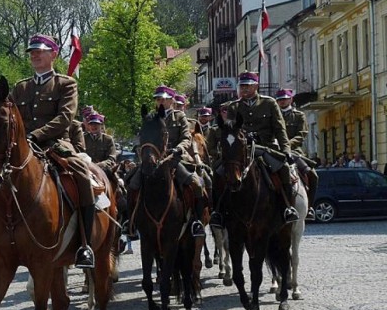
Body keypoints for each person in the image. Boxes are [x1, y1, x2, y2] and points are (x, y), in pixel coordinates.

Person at [0, 34, 97, 271]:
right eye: (32, 51)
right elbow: (7, 116)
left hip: (55, 143)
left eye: (40, 51)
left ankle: (85, 244)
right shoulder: (20, 87)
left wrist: (35, 135)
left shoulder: (65, 84)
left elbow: (65, 118)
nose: (35, 54)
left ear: (54, 54)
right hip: (20, 148)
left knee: (82, 173)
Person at [214, 71, 299, 226]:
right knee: (218, 171)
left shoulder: (269, 103)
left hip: (266, 147)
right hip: (243, 150)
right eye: (242, 86)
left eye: (248, 86)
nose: (244, 89)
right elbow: (231, 131)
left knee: (284, 168)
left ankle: (288, 207)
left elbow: (280, 130)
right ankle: (218, 211)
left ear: (256, 86)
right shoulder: (234, 106)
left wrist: (286, 150)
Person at [127, 85, 206, 238]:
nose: (161, 102)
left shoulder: (180, 116)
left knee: (197, 182)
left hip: (175, 158)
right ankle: (130, 222)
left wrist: (179, 149)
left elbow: (186, 137)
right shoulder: (150, 117)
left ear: (171, 100)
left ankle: (197, 221)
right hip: (153, 160)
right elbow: (143, 138)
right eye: (158, 99)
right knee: (132, 183)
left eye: (164, 99)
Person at [275, 88, 318, 221]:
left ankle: (310, 207)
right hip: (274, 149)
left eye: (285, 99)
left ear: (291, 99)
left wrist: (287, 145)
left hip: (294, 152)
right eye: (280, 99)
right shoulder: (273, 115)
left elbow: (302, 134)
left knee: (313, 175)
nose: (282, 101)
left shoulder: (299, 115)